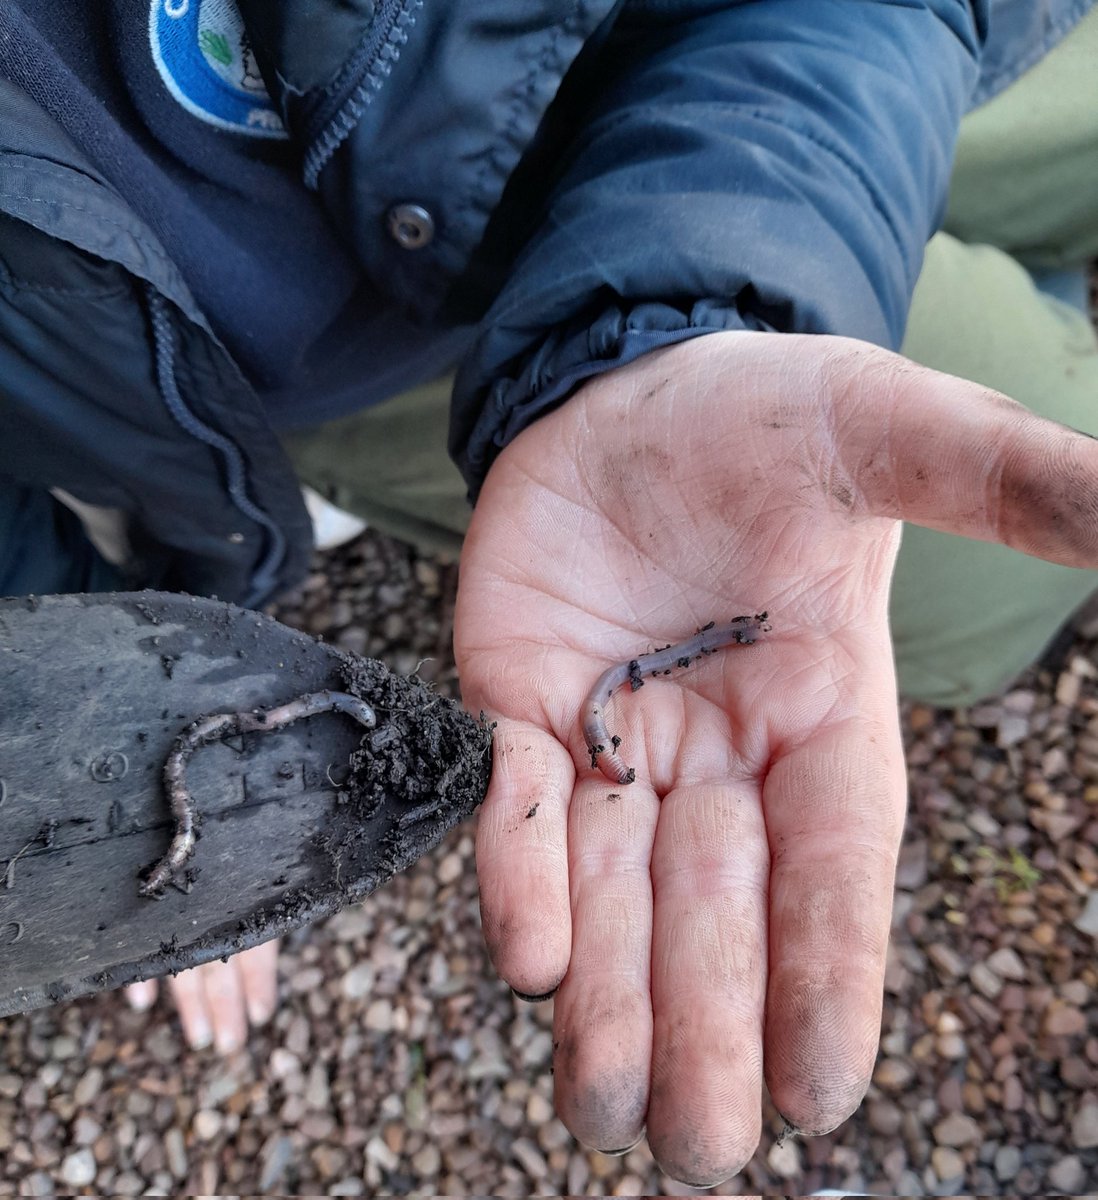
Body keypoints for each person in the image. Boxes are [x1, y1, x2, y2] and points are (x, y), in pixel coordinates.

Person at [2, 0, 1098, 1185]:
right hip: (350, 375)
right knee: (1017, 534)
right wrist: (119, 771)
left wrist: (715, 299)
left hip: (682, 71)